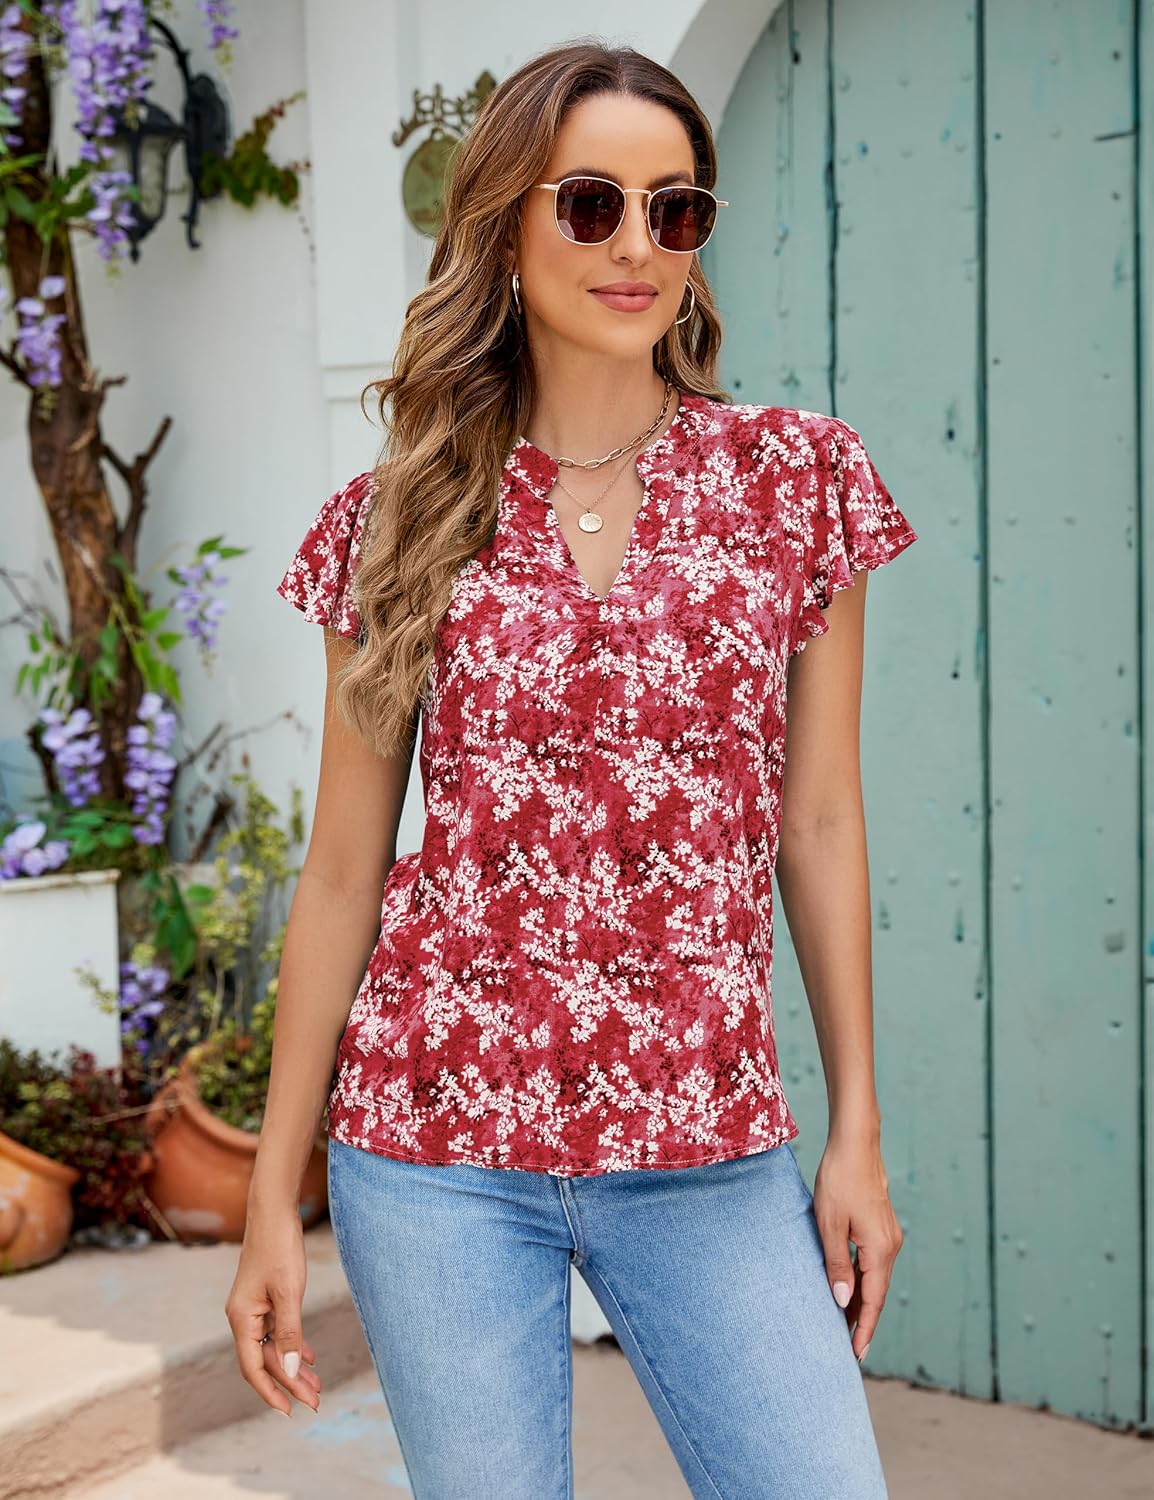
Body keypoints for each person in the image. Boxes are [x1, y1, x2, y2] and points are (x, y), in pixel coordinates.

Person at [226, 38, 916, 1500]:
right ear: (504, 225)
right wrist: (274, 1198)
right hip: (432, 1146)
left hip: (708, 1144)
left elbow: (819, 818)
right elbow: (344, 871)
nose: (637, 246)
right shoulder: (400, 518)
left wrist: (855, 1126)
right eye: (592, 203)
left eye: (677, 210)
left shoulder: (796, 483)